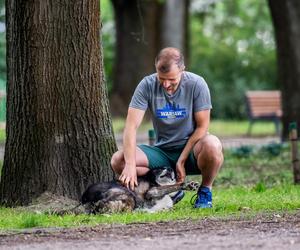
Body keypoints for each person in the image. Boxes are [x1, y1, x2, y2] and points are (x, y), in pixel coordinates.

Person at [111, 47, 224, 208]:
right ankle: (169, 189)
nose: (165, 84)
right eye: (161, 78)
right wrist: (129, 165)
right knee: (118, 160)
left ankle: (205, 190)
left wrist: (182, 159)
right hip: (162, 152)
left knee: (212, 145)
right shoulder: (146, 85)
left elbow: (202, 127)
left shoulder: (197, 84)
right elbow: (131, 126)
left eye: (171, 79)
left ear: (182, 70)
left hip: (192, 150)